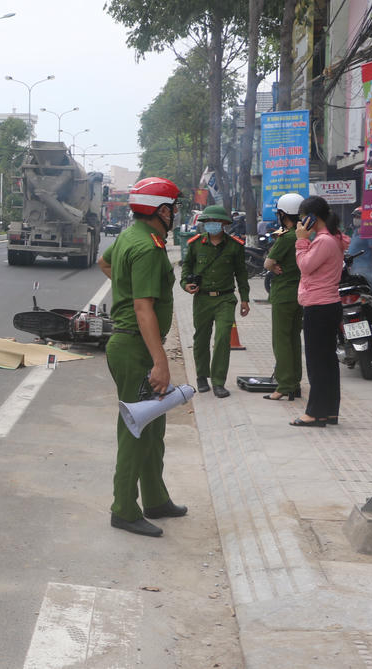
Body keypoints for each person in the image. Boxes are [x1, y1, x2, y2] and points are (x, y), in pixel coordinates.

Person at [98, 176, 185, 538]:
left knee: (152, 425)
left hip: (133, 344)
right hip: (136, 347)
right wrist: (160, 361)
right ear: (161, 211)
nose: (177, 213)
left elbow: (104, 263)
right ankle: (123, 509)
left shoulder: (130, 236)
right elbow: (142, 307)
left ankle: (155, 498)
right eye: (174, 207)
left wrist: (126, 285)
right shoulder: (147, 247)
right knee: (135, 428)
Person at [179, 204, 251, 398]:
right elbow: (186, 267)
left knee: (222, 338)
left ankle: (219, 381)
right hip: (202, 299)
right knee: (201, 338)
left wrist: (245, 299)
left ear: (223, 223)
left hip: (225, 298)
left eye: (215, 221)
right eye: (208, 221)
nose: (212, 224)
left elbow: (241, 273)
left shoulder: (235, 245)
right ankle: (202, 376)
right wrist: (185, 284)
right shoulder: (195, 244)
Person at [291, 195, 350, 427]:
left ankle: (315, 413)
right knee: (327, 361)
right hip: (327, 305)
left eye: (303, 217)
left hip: (319, 306)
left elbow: (305, 266)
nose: (301, 222)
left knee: (317, 363)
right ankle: (329, 412)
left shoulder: (323, 241)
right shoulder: (333, 237)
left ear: (312, 218)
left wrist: (301, 241)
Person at [263, 193, 305, 401]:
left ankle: (284, 385)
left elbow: (268, 263)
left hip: (284, 295)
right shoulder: (305, 235)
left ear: (282, 214)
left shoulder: (287, 237)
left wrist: (273, 266)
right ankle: (295, 383)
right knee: (294, 339)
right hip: (301, 293)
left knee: (281, 340)